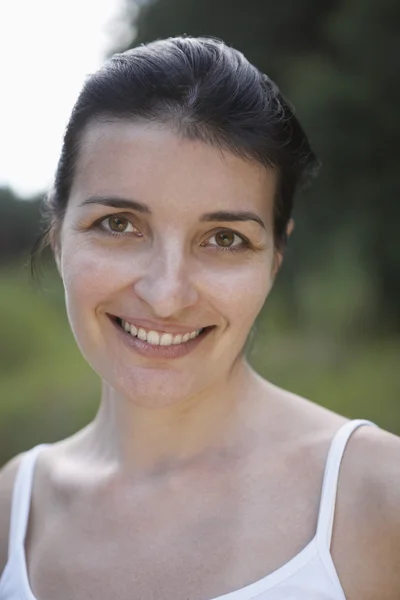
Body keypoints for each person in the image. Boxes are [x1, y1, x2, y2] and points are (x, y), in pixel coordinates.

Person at [0, 36, 399, 600]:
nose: (166, 295)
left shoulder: (380, 497)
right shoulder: (15, 508)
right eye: (118, 224)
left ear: (275, 258)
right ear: (59, 235)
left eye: (224, 238)